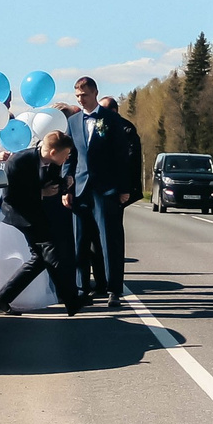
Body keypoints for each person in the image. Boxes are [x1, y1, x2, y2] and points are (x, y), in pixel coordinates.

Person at [0, 130, 84, 315]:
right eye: (66, 154)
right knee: (51, 253)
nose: (67, 158)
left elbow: (52, 185)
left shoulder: (52, 163)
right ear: (53, 152)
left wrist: (64, 184)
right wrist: (40, 194)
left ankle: (1, 299)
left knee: (40, 259)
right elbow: (10, 196)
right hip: (19, 213)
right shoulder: (19, 161)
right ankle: (71, 300)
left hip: (37, 213)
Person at [75, 88, 143, 302]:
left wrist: (124, 189)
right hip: (80, 189)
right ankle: (81, 289)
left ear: (94, 93)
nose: (80, 99)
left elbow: (123, 157)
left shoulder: (112, 120)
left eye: (84, 95)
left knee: (108, 239)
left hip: (106, 189)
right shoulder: (73, 121)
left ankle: (114, 289)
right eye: (77, 95)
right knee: (80, 242)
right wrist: (67, 186)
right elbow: (71, 157)